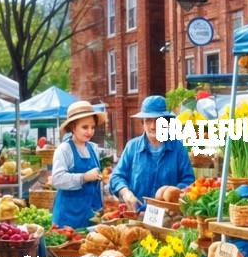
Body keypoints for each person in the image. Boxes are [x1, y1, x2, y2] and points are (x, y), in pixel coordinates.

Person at [109, 95, 195, 210]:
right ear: (142, 123)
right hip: (136, 213)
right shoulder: (132, 147)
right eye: (148, 120)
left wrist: (169, 194)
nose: (153, 126)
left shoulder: (178, 148)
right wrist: (126, 193)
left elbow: (189, 181)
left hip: (168, 216)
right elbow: (116, 177)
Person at [51, 101, 105, 229]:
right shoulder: (64, 150)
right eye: (85, 127)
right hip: (68, 218)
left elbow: (96, 180)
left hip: (89, 215)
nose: (90, 131)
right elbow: (57, 180)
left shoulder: (93, 148)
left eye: (92, 127)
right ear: (73, 127)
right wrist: (84, 177)